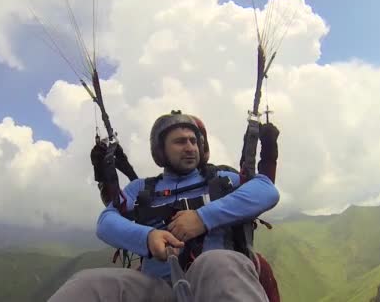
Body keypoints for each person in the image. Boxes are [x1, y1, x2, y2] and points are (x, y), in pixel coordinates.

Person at [49, 110, 280, 302]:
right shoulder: (142, 189)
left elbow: (266, 190)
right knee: (87, 284)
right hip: (158, 289)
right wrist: (147, 238)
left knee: (217, 261)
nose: (189, 147)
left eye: (193, 141)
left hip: (212, 282)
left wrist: (202, 218)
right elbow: (106, 221)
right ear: (161, 151)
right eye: (180, 142)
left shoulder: (223, 179)